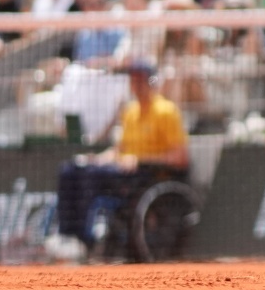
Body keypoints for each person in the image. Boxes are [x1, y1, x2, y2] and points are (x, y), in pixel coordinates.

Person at [50, 57, 188, 259]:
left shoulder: (166, 112)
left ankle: (82, 240)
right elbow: (119, 150)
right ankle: (66, 235)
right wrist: (96, 159)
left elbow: (180, 158)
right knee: (72, 170)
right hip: (121, 170)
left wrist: (141, 160)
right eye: (133, 80)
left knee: (91, 177)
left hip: (147, 174)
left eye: (140, 79)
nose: (135, 84)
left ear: (151, 81)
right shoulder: (130, 112)